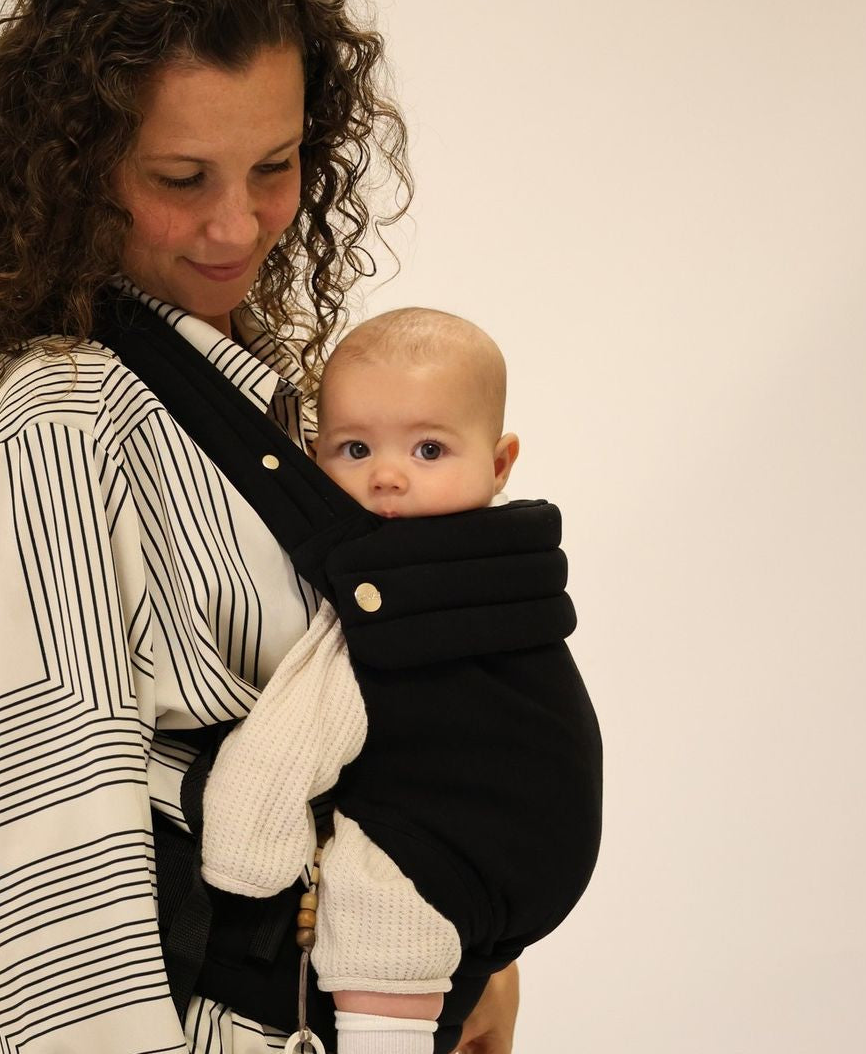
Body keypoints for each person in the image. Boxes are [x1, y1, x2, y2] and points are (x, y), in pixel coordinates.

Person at [0, 0, 522, 1053]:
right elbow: (56, 852)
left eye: (273, 166)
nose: (236, 226)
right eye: (181, 180)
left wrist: (468, 942)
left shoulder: (251, 401)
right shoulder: (60, 422)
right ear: (73, 164)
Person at [201, 310, 601, 1054]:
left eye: (427, 448)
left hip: (441, 858)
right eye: (353, 448)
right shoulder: (511, 570)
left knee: (373, 903)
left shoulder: (386, 591)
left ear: (499, 461)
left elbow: (295, 734)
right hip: (543, 835)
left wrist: (241, 862)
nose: (386, 475)